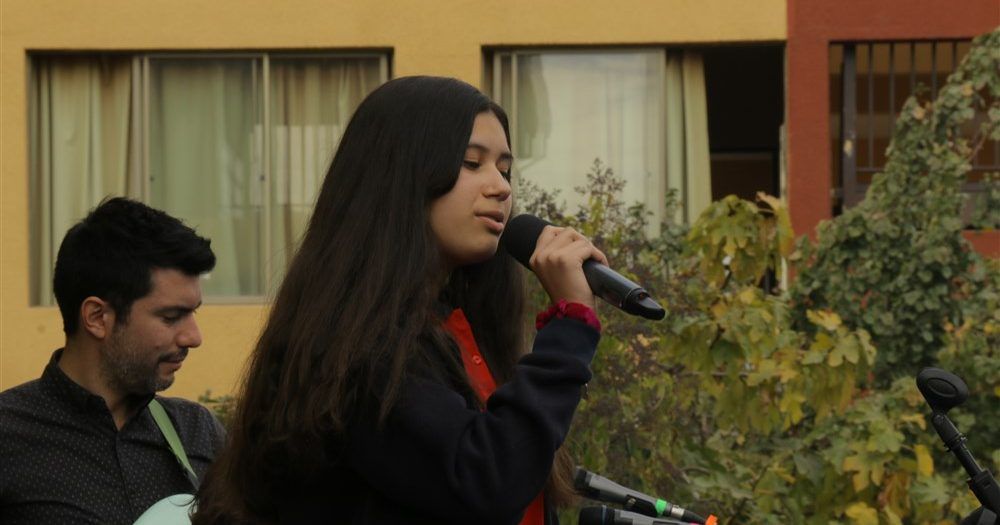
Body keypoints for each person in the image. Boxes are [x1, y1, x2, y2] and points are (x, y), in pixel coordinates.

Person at [193, 76, 607, 525]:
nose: (501, 187)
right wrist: (569, 327)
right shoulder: (352, 348)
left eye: (504, 169)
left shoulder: (459, 330)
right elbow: (485, 477)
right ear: (401, 177)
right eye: (471, 163)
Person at [0, 197, 225, 524]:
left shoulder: (198, 431)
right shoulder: (8, 434)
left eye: (193, 313)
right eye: (171, 317)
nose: (193, 337)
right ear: (97, 317)